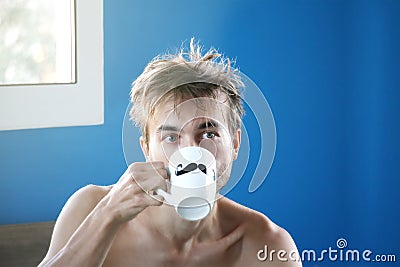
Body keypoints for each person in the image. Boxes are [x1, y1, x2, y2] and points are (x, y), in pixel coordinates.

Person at [39, 39, 301, 267]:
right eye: (171, 137)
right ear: (146, 150)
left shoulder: (267, 245)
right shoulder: (90, 208)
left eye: (208, 134)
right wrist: (107, 215)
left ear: (235, 144)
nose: (190, 151)